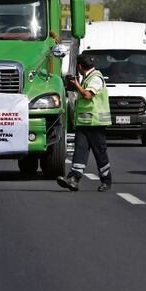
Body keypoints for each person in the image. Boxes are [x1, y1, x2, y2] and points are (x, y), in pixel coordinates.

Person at [57, 52, 112, 192]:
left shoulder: (96, 78)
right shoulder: (87, 78)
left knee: (100, 153)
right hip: (83, 123)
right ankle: (73, 178)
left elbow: (87, 95)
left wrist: (76, 85)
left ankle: (106, 180)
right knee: (79, 151)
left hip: (95, 123)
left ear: (80, 67)